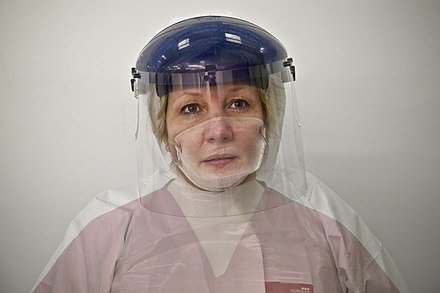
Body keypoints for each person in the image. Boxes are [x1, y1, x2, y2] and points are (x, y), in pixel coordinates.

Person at [32, 15, 409, 292]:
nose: (218, 130)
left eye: (239, 103)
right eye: (191, 109)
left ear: (268, 116)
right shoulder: (111, 221)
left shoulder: (319, 211)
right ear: (164, 131)